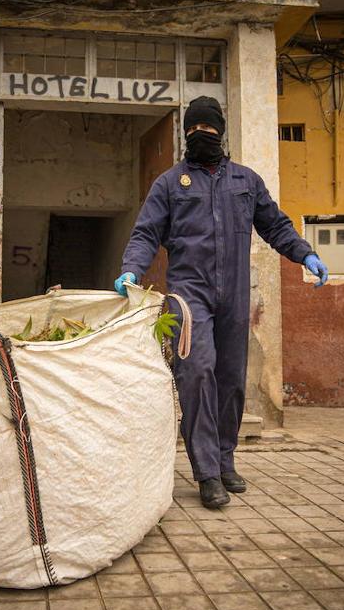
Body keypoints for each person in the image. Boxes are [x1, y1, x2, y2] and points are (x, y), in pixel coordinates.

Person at [114, 96, 328, 509]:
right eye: (194, 131)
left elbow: (276, 226)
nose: (201, 137)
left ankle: (226, 459)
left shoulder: (246, 182)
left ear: (221, 133)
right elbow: (145, 234)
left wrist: (305, 253)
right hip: (188, 295)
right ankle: (207, 472)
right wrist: (132, 268)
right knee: (196, 374)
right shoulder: (170, 184)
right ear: (185, 135)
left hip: (234, 294)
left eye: (208, 131)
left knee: (231, 380)